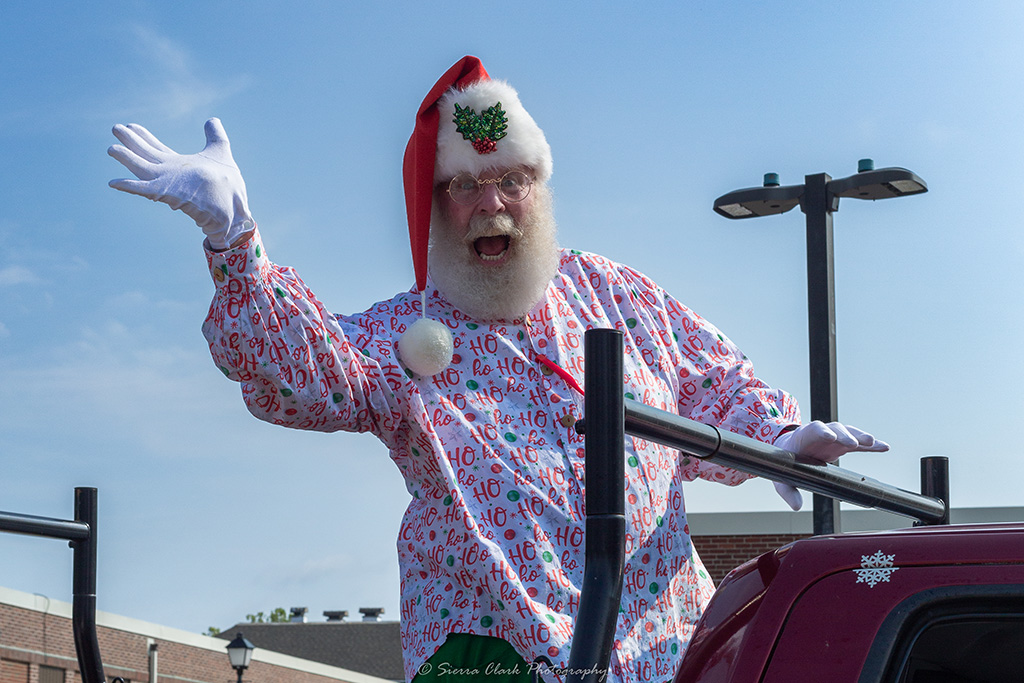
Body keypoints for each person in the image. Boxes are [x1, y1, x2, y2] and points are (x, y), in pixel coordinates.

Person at [109, 56, 887, 683]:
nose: (492, 204)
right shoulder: (405, 335)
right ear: (436, 204)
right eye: (465, 185)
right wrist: (235, 239)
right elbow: (300, 371)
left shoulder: (616, 294)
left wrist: (778, 436)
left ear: (539, 188)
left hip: (661, 653)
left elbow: (711, 379)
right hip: (494, 659)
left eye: (511, 179)